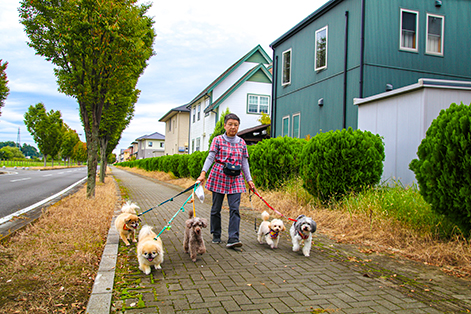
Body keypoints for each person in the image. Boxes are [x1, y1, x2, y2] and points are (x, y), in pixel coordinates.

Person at [196, 113, 256, 248]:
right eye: (230, 124)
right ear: (225, 125)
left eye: (236, 125)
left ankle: (233, 238)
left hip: (236, 178)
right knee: (215, 208)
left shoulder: (242, 142)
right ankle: (216, 234)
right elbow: (210, 157)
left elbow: (245, 163)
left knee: (235, 208)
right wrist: (203, 173)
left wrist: (249, 180)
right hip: (219, 175)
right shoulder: (217, 140)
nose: (233, 127)